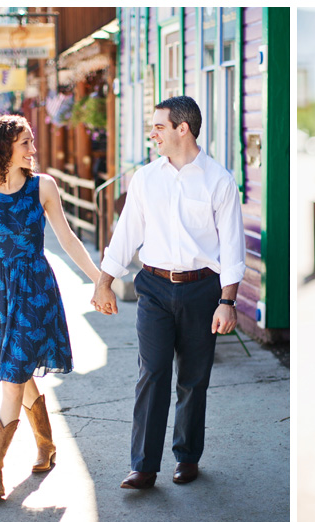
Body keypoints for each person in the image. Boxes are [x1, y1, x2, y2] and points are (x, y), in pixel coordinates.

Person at [91, 95, 246, 490]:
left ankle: (187, 456)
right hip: (155, 288)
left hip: (202, 291)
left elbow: (231, 248)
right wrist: (104, 281)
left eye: (159, 126)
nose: (152, 134)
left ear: (183, 129)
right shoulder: (145, 178)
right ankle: (143, 465)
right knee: (153, 372)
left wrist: (227, 301)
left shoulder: (219, 180)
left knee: (194, 380)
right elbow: (126, 233)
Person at [0, 115, 102, 499]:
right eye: (26, 142)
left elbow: (69, 239)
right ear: (5, 146)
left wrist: (99, 278)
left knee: (12, 378)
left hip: (35, 289)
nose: (33, 150)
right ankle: (46, 444)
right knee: (17, 370)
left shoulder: (44, 187)